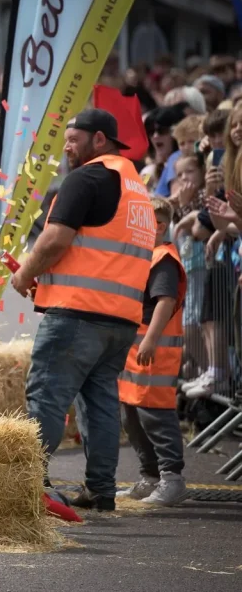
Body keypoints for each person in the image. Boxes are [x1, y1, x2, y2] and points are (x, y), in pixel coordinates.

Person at [11, 108, 156, 511]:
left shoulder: (86, 178)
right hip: (120, 319)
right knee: (101, 405)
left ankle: (28, 487)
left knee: (47, 398)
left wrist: (25, 274)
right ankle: (101, 490)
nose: (67, 147)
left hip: (78, 314)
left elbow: (56, 240)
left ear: (99, 139)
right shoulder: (135, 187)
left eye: (74, 139)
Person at [117, 196, 188, 507]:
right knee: (131, 414)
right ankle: (150, 476)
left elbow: (165, 302)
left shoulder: (163, 259)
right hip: (137, 351)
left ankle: (172, 478)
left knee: (155, 414)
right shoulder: (146, 256)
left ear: (158, 227)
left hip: (153, 350)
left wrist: (150, 340)